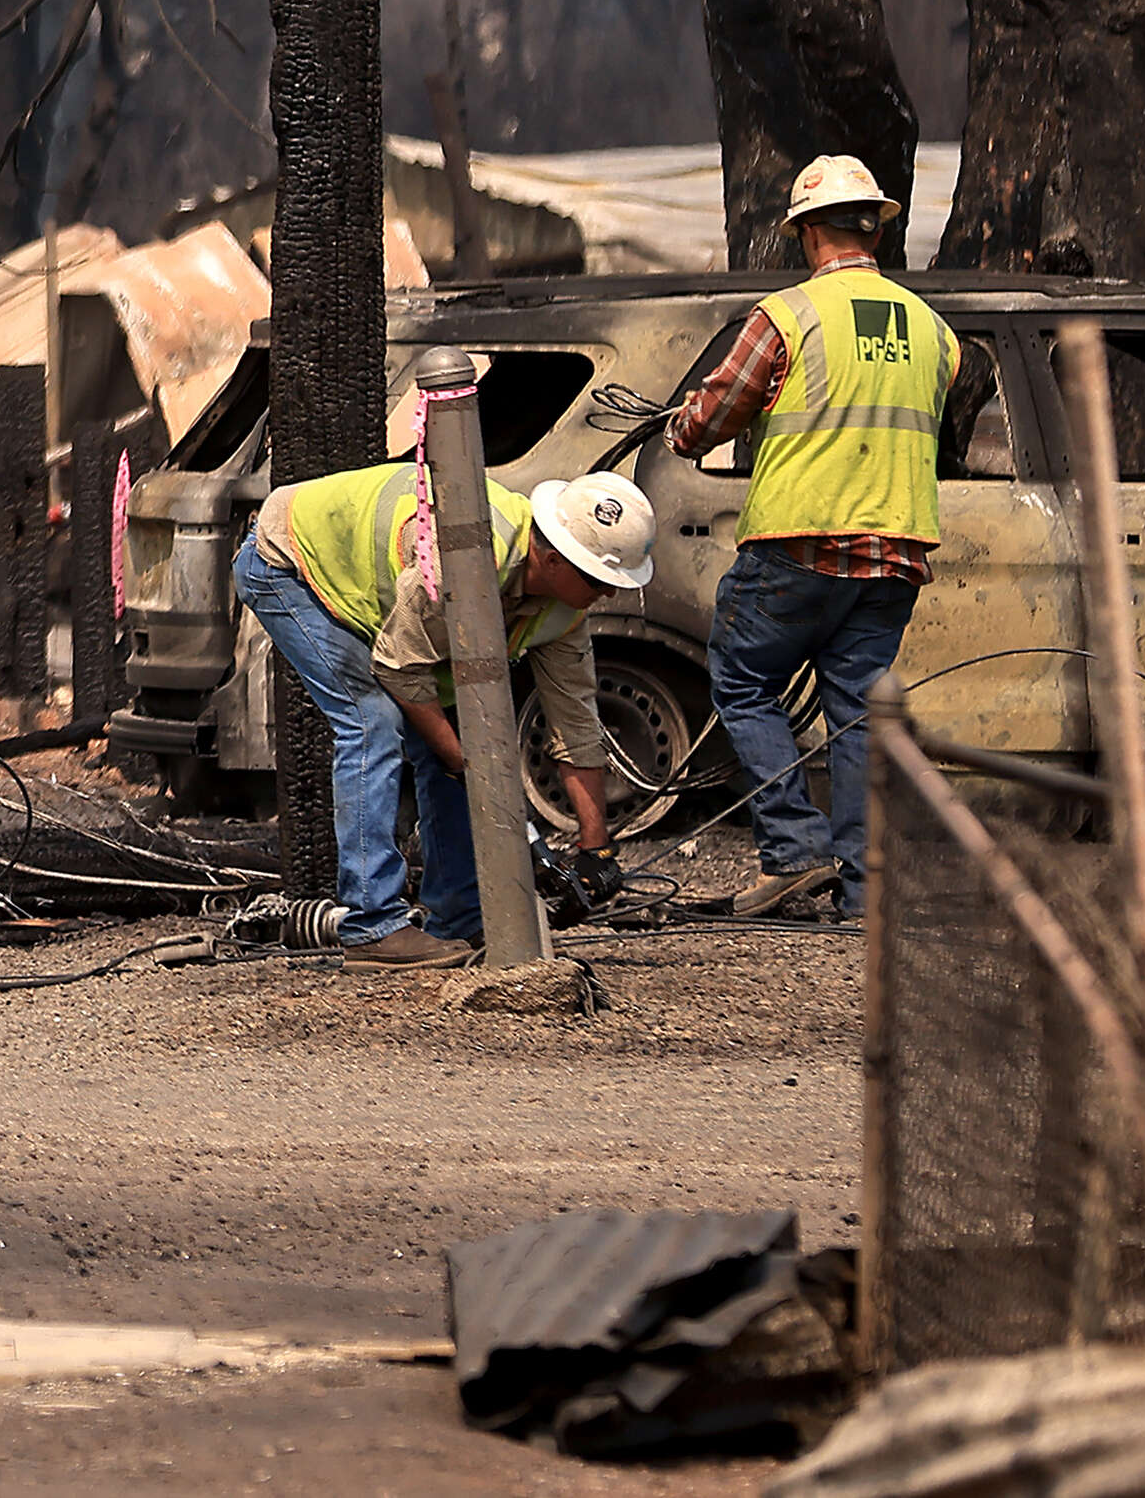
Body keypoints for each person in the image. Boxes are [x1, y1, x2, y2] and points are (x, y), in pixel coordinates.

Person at [669, 155, 956, 920]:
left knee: (740, 678)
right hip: (895, 551)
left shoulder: (787, 316)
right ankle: (864, 891)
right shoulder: (934, 331)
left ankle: (795, 853)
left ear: (805, 233)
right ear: (874, 227)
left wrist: (682, 429)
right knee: (857, 713)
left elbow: (718, 409)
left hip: (799, 544)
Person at [233, 463, 655, 968]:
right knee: (372, 724)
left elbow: (576, 725)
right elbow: (400, 669)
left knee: (455, 748)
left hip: (384, 600)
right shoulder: (464, 558)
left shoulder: (564, 612)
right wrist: (467, 766)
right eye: (598, 578)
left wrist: (595, 848)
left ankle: (457, 917)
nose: (609, 593)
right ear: (552, 557)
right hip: (288, 561)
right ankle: (372, 925)